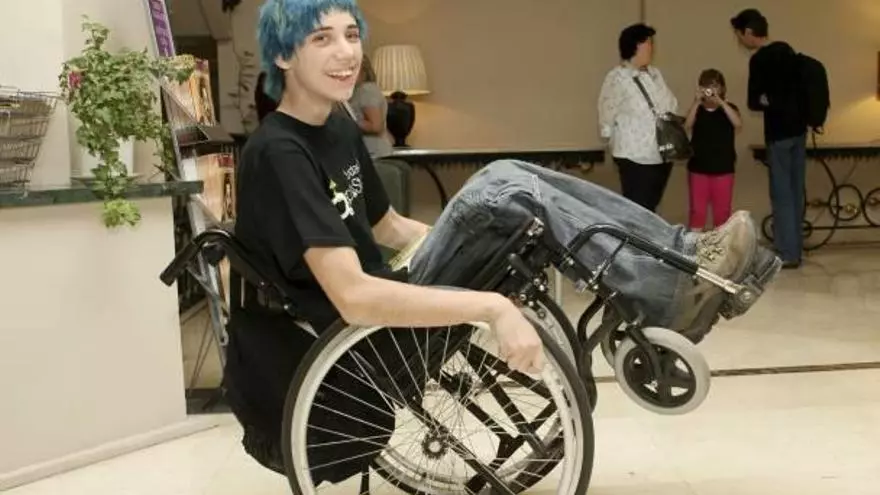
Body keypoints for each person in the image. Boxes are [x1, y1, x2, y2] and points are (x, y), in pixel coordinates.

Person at [230, 0, 780, 474]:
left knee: (506, 186)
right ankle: (672, 280)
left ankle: (682, 258)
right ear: (284, 55)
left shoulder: (337, 126)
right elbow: (352, 297)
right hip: (364, 346)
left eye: (351, 35)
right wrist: (491, 305)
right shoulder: (280, 153)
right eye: (322, 39)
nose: (346, 52)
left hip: (387, 303)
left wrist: (472, 243)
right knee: (499, 187)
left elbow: (388, 227)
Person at [731, 8, 806, 269]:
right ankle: (796, 248)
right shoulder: (789, 52)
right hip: (799, 131)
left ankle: (787, 252)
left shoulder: (760, 60)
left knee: (781, 192)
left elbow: (754, 101)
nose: (740, 39)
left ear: (748, 32)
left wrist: (766, 100)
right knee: (796, 190)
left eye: (739, 34)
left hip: (778, 133)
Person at [598, 23, 679, 213]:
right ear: (635, 46)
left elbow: (671, 104)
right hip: (633, 154)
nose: (652, 47)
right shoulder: (617, 77)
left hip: (660, 152)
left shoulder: (655, 74)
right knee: (638, 208)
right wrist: (609, 137)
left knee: (651, 208)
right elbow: (606, 110)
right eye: (648, 43)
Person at [683, 69, 742, 232]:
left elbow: (738, 123)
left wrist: (721, 102)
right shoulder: (698, 109)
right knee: (697, 211)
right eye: (707, 86)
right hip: (698, 168)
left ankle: (720, 245)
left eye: (715, 86)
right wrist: (696, 102)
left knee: (722, 213)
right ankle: (694, 244)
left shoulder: (729, 108)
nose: (711, 90)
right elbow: (687, 125)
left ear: (722, 88)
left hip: (723, 168)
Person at [348, 54, 393, 157]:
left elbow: (375, 126)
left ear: (363, 70)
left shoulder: (367, 90)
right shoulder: (358, 91)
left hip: (373, 154)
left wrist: (347, 121)